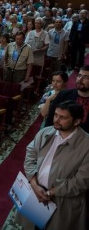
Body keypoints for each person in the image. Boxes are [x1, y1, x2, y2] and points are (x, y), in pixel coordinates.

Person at [16, 101, 89, 230]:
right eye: (55, 115)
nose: (56, 120)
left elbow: (81, 181)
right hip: (35, 192)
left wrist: (50, 192)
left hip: (62, 201)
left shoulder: (86, 144)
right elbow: (30, 155)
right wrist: (33, 183)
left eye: (63, 117)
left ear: (77, 121)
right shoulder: (45, 132)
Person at [45, 66, 89, 133]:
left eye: (85, 77)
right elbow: (50, 117)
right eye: (79, 75)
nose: (80, 79)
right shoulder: (64, 95)